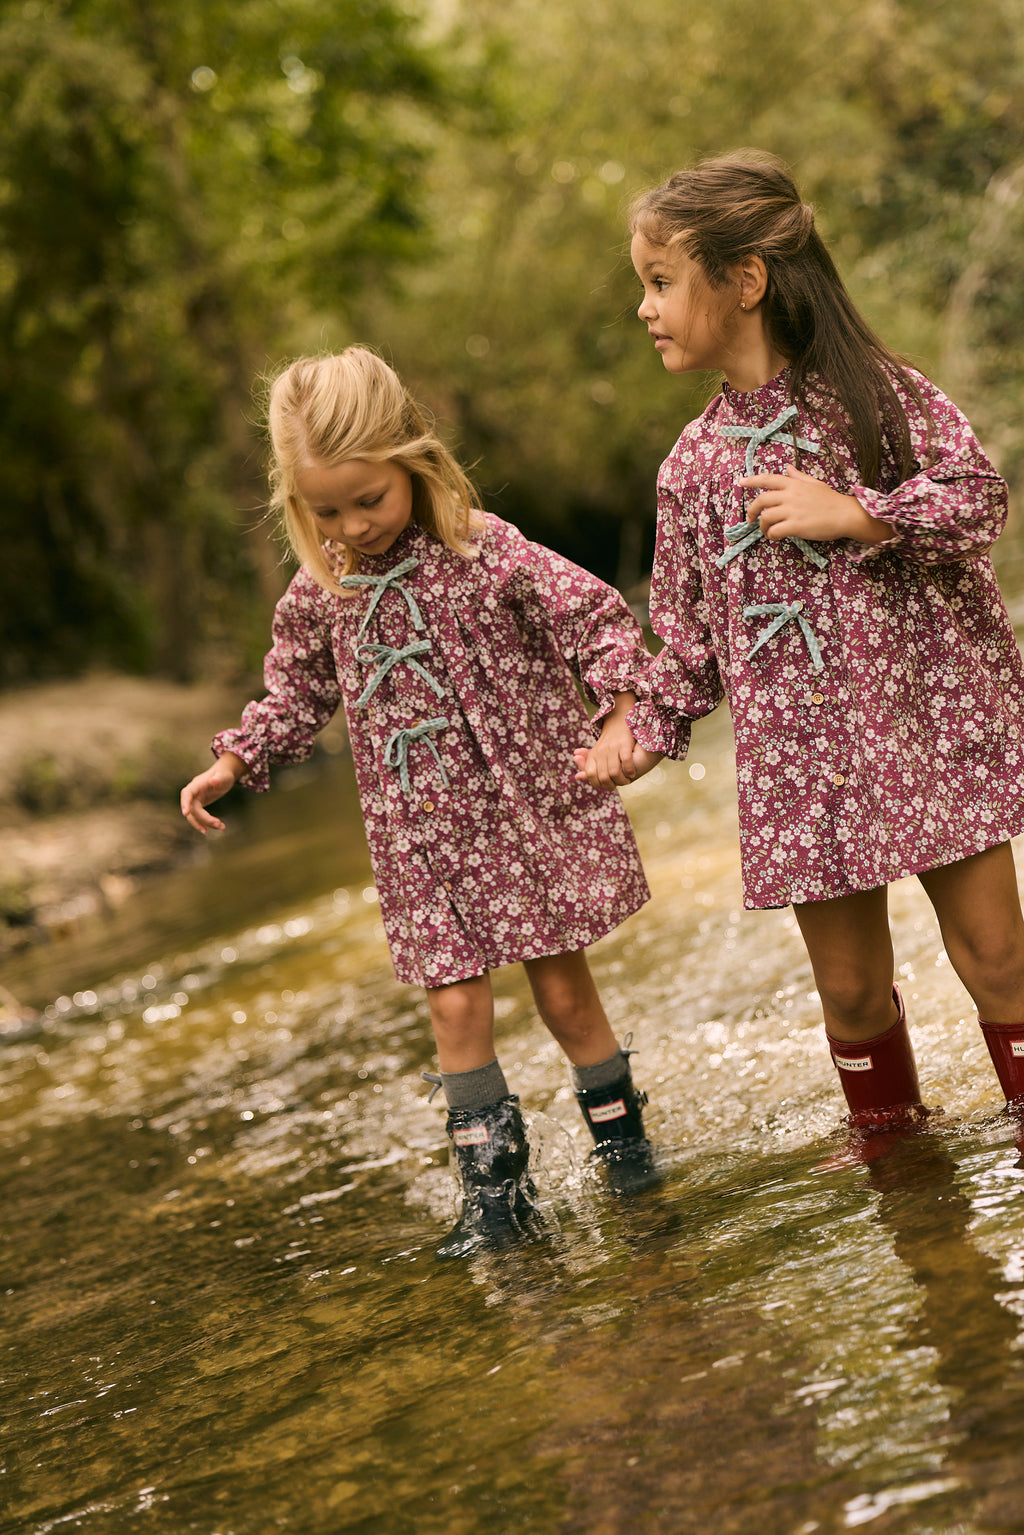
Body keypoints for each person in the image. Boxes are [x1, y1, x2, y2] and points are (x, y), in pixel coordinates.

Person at [577, 149, 1024, 1142]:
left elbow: (977, 500)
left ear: (744, 279)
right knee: (853, 990)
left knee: (997, 957)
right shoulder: (688, 467)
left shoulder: (879, 396)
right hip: (802, 768)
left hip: (928, 729)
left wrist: (857, 512)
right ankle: (903, 1174)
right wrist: (639, 733)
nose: (643, 308)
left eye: (659, 282)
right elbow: (686, 640)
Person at [181, 347, 658, 1258]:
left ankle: (624, 1145)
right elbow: (295, 693)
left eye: (371, 500)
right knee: (452, 1006)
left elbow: (593, 614)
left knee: (563, 987)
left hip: (519, 811)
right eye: (327, 510)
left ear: (414, 463)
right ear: (298, 504)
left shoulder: (482, 548)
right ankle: (495, 1198)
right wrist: (237, 759)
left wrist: (620, 711)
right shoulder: (323, 588)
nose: (353, 525)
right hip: (419, 834)